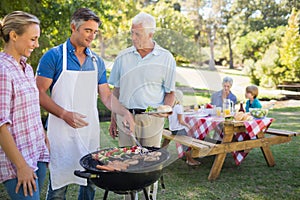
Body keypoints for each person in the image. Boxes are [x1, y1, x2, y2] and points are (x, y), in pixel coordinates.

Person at [35, 8, 135, 200]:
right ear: (74, 27)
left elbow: (106, 96)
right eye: (88, 30)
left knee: (90, 182)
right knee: (59, 186)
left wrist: (125, 113)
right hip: (61, 133)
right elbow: (38, 93)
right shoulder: (54, 56)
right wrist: (64, 114)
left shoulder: (96, 61)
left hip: (88, 132)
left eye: (95, 32)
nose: (92, 36)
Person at [108, 12, 176, 199]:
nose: (133, 37)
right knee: (127, 163)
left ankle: (150, 197)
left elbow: (170, 93)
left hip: (152, 119)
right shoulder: (122, 57)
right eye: (132, 33)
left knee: (149, 164)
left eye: (137, 34)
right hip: (125, 118)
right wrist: (113, 120)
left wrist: (166, 109)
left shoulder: (166, 58)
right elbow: (116, 91)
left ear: (150, 35)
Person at [0, 11, 50, 199]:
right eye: (33, 39)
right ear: (14, 36)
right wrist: (21, 166)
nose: (37, 45)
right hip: (17, 161)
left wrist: (43, 135)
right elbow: (0, 124)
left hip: (37, 150)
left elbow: (29, 107)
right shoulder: (2, 70)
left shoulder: (26, 67)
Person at [162, 90, 201, 166]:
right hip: (178, 130)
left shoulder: (171, 107)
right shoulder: (179, 107)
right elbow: (181, 121)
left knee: (188, 137)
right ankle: (190, 160)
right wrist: (188, 125)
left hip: (173, 130)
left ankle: (161, 153)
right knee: (188, 142)